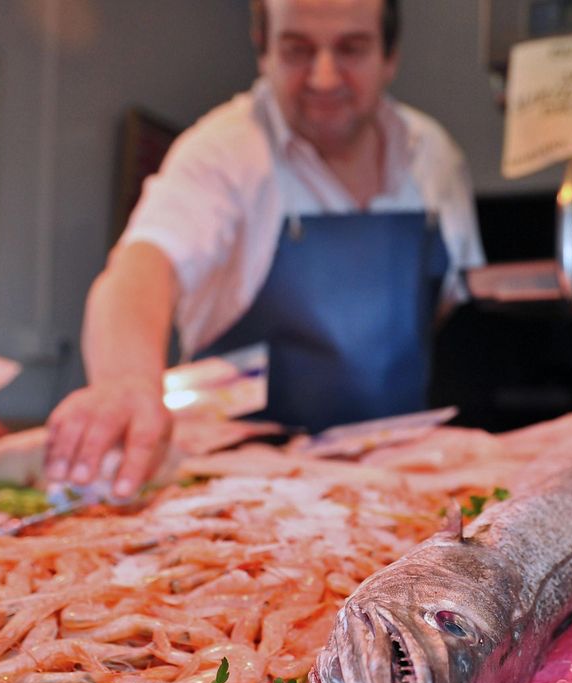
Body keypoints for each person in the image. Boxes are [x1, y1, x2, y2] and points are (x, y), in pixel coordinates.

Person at [45, 0, 483, 498]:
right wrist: (127, 381)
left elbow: (441, 308)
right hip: (235, 492)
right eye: (297, 50)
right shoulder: (223, 150)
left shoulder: (434, 157)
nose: (323, 77)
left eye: (351, 49)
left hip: (401, 482)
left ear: (390, 56)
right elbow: (144, 266)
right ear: (263, 52)